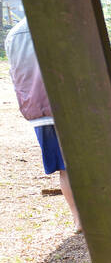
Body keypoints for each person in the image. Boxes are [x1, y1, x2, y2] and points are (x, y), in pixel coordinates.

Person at [6, 15, 81, 232]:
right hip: (71, 107)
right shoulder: (61, 25)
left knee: (64, 169)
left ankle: (78, 219)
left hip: (39, 111)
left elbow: (15, 74)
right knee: (87, 162)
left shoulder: (13, 35)